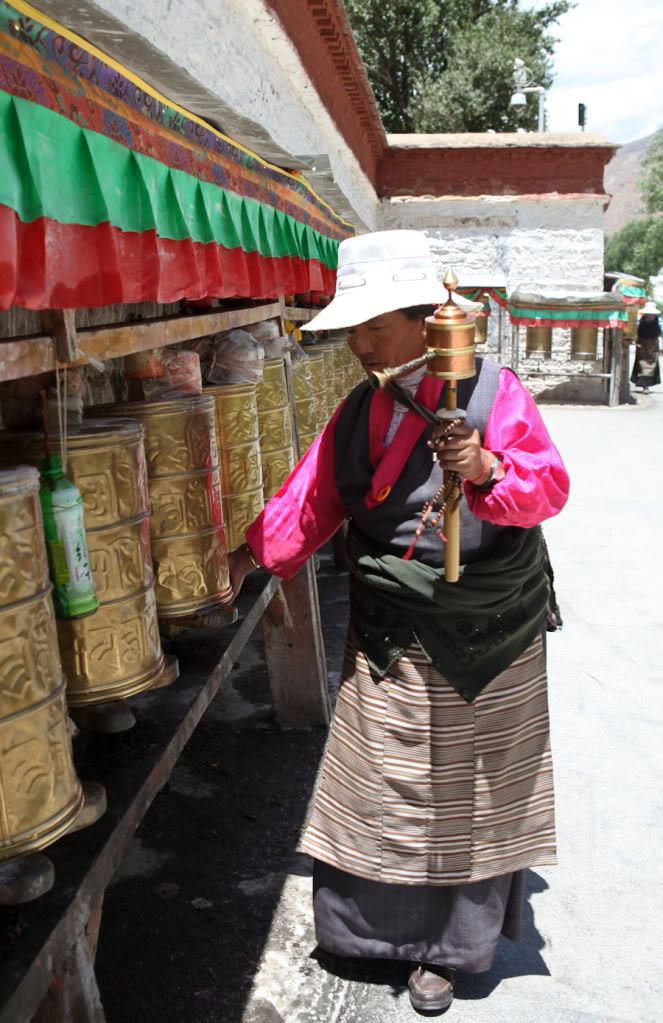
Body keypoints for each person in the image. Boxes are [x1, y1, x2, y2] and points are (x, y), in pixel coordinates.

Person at [228, 230, 569, 1016]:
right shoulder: (360, 408)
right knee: (382, 777)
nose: (358, 342)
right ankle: (369, 934)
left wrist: (484, 468)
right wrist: (249, 558)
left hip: (488, 628)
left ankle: (449, 952)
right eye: (352, 328)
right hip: (389, 626)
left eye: (374, 326)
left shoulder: (493, 392)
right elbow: (314, 499)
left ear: (425, 320)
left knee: (469, 791)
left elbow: (546, 488)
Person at [631, 300, 661, 394]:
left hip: (653, 347)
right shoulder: (639, 322)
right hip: (641, 347)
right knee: (642, 366)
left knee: (651, 366)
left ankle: (646, 386)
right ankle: (644, 386)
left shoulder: (659, 322)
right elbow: (634, 333)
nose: (649, 315)